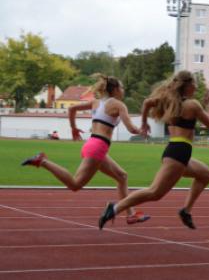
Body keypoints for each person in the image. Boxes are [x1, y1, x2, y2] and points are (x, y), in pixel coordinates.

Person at [21, 74, 149, 225]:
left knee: (122, 176)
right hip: (98, 147)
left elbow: (72, 109)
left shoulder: (96, 102)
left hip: (93, 144)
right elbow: (131, 128)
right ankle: (43, 161)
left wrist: (73, 128)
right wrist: (141, 130)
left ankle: (131, 214)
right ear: (114, 89)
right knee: (75, 185)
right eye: (121, 87)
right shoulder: (118, 105)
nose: (123, 90)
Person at [98, 70, 209, 230]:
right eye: (193, 83)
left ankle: (186, 211)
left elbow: (147, 102)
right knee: (154, 192)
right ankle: (115, 208)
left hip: (176, 152)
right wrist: (208, 104)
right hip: (179, 154)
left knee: (205, 175)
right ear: (186, 85)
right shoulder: (192, 105)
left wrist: (145, 122)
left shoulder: (168, 101)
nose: (195, 86)